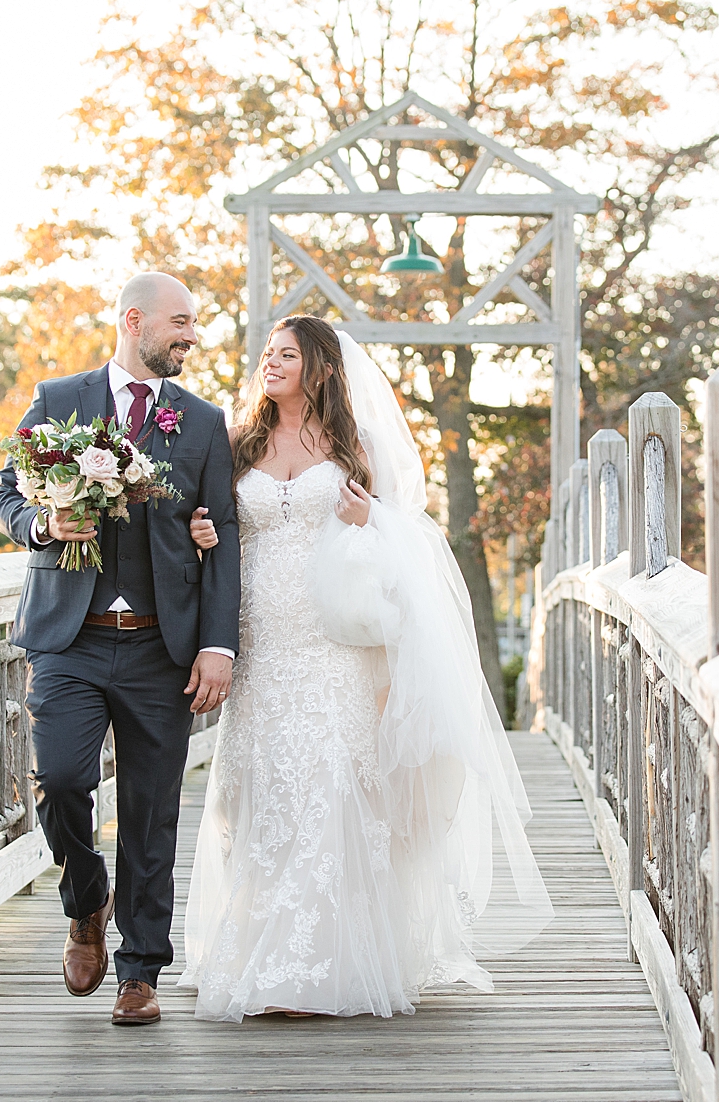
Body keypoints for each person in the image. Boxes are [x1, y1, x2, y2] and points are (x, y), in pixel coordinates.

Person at [180, 314, 551, 1021]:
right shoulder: (237, 443)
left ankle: (318, 964)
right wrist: (202, 531)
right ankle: (264, 946)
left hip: (335, 645)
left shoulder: (357, 446)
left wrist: (364, 523)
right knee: (260, 790)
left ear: (318, 367)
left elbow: (406, 544)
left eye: (286, 355)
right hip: (260, 642)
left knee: (329, 784)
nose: (271, 365)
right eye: (267, 355)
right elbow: (213, 528)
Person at [0, 271, 240, 1026]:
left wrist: (219, 646)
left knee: (151, 809)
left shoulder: (202, 421)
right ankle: (86, 899)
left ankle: (139, 970)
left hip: (164, 646)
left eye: (194, 324)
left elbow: (223, 536)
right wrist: (40, 525)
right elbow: (5, 494)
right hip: (69, 638)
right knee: (62, 780)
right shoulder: (57, 400)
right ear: (135, 321)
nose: (192, 335)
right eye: (181, 322)